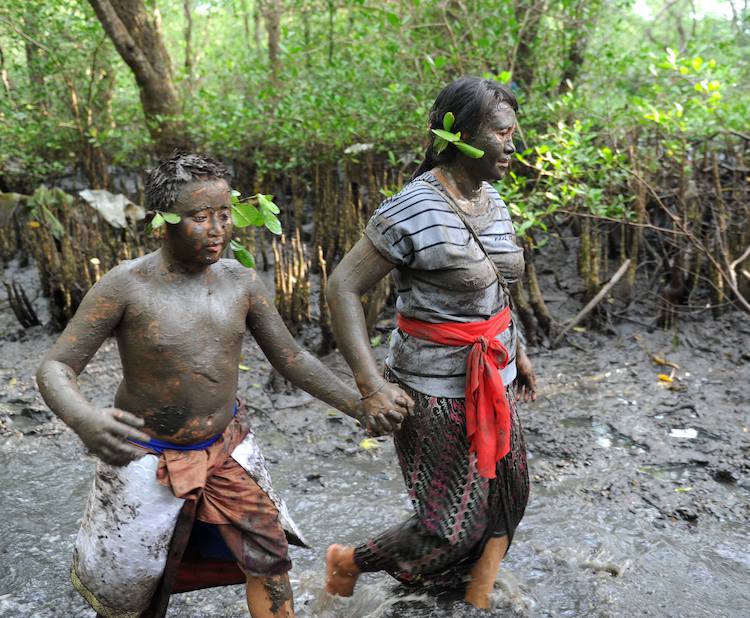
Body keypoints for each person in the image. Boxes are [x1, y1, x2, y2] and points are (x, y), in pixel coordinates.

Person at [36, 154, 379, 618]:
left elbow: (292, 358)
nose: (217, 228)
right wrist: (84, 419)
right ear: (164, 222)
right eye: (200, 217)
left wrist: (358, 405)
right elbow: (56, 366)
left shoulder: (240, 282)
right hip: (144, 456)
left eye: (223, 214)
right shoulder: (127, 286)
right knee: (132, 589)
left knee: (269, 556)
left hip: (224, 448)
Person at [323, 76, 537, 609]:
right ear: (460, 135)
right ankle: (347, 561)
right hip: (431, 386)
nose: (514, 144)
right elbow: (342, 288)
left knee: (512, 495)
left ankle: (476, 597)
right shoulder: (412, 209)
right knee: (450, 525)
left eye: (515, 131)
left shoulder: (495, 202)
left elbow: (499, 288)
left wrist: (520, 350)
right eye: (502, 132)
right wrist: (370, 385)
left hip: (496, 369)